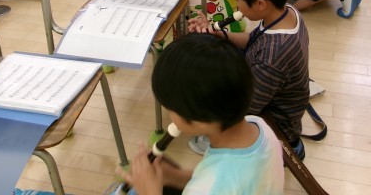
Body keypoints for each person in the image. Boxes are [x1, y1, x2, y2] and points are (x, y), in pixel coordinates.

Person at [121, 33, 284, 195]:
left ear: (199, 121)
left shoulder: (206, 189)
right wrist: (174, 176)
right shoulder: (257, 125)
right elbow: (216, 181)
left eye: (170, 108)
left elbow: (215, 186)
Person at [189, 0, 310, 160]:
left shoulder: (272, 56)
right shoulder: (287, 13)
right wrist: (220, 34)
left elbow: (247, 107)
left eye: (237, 0)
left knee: (208, 90)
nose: (236, 6)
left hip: (276, 127)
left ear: (260, 3)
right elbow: (253, 40)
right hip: (270, 96)